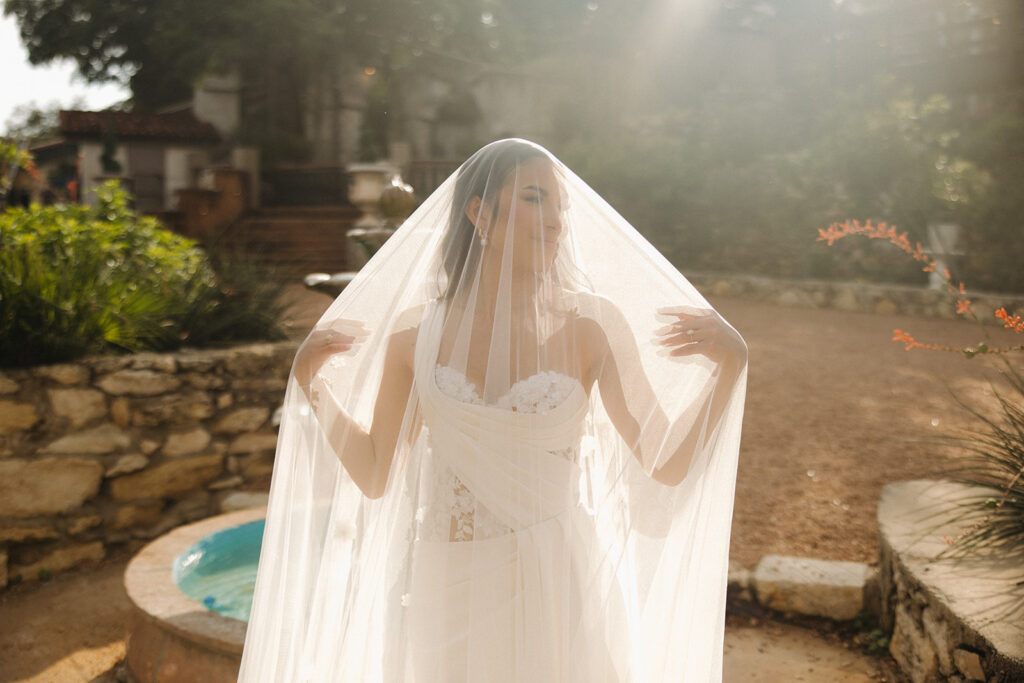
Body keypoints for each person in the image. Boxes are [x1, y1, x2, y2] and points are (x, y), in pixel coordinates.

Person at [239, 139, 748, 682]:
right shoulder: (414, 336)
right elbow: (372, 471)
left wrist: (729, 370)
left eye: (561, 207)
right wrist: (311, 386)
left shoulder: (591, 326)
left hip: (559, 580)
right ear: (479, 213)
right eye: (535, 199)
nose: (555, 222)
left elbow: (664, 461)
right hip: (448, 580)